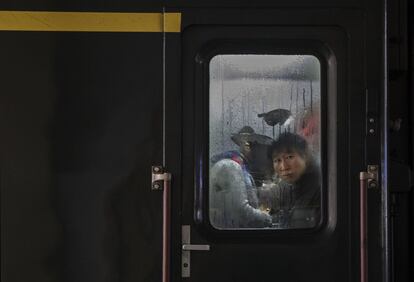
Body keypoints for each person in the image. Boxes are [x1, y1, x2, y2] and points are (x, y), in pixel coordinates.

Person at [209, 126, 273, 229]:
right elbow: (241, 211)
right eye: (260, 148)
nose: (263, 155)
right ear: (246, 145)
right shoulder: (231, 166)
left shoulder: (240, 168)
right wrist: (268, 219)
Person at [267, 132, 321, 228]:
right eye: (277, 160)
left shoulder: (320, 186)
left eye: (289, 157)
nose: (284, 167)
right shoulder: (288, 186)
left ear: (305, 155)